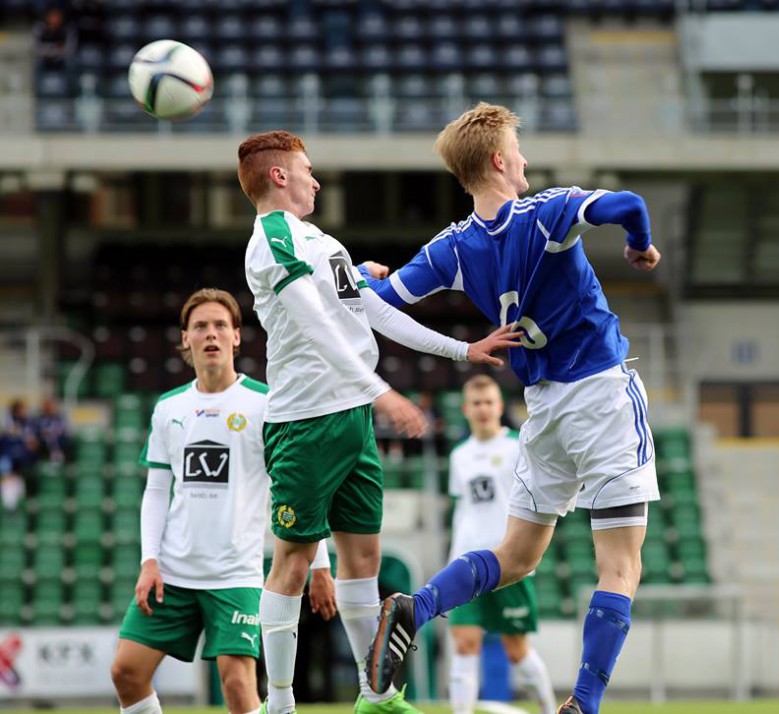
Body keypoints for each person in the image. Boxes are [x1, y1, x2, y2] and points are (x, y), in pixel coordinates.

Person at [363, 103, 661, 714]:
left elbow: (382, 301)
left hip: (542, 410)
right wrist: (640, 247)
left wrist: (353, 278)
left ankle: (415, 607)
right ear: (500, 160)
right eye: (518, 151)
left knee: (516, 558)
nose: (525, 161)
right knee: (620, 568)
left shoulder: (453, 247)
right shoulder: (546, 212)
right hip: (601, 394)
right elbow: (628, 205)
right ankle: (583, 703)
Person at [237, 130, 519, 714]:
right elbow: (316, 327)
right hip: (306, 422)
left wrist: (464, 350)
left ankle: (377, 695)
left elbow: (374, 312)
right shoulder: (271, 240)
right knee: (291, 561)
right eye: (307, 170)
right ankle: (280, 701)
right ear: (279, 177)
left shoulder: (321, 242)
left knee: (363, 560)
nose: (316, 179)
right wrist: (380, 390)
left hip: (353, 420)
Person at [110, 288, 285, 714]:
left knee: (239, 687)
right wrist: (148, 560)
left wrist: (314, 565)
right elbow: (156, 490)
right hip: (173, 571)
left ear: (237, 337)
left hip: (235, 574)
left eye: (220, 326)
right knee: (126, 673)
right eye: (200, 327)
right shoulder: (169, 408)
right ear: (184, 338)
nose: (211, 334)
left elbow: (290, 488)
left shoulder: (265, 404)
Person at [446, 375, 555, 714]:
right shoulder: (459, 455)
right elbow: (463, 507)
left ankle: (551, 709)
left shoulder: (516, 447)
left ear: (499, 407)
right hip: (465, 562)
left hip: (508, 560)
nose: (483, 409)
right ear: (466, 409)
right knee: (464, 643)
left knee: (516, 649)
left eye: (489, 402)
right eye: (476, 403)